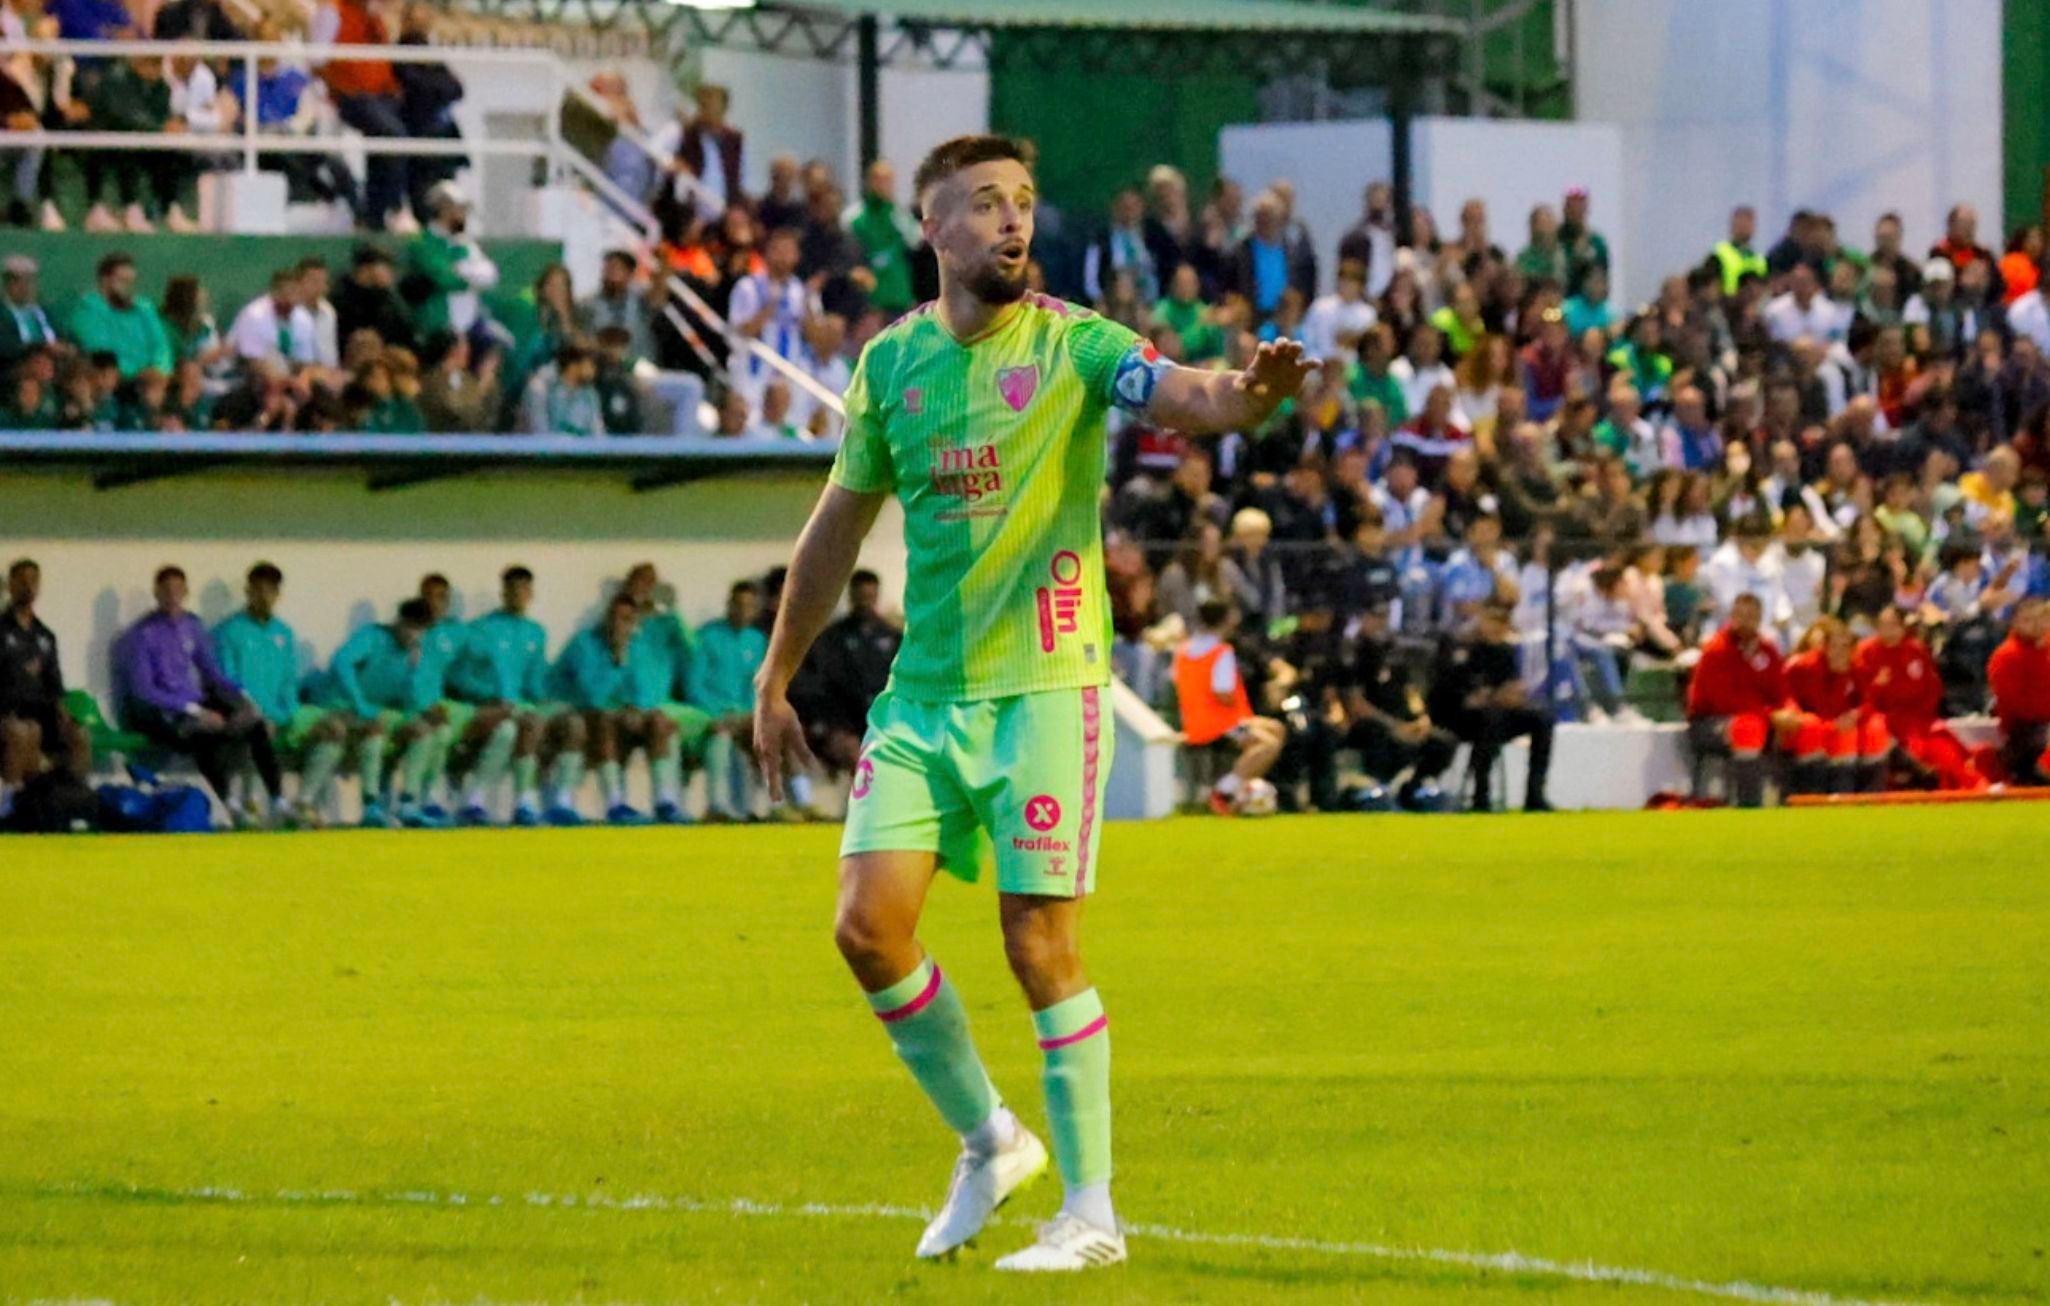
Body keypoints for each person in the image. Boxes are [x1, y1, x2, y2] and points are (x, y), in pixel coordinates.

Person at [748, 134, 1314, 1272]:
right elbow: (834, 533)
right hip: (925, 697)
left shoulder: (1075, 343)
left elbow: (1181, 393)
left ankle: (1093, 1212)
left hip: (1047, 690)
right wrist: (774, 672)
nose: (1013, 222)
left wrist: (1246, 396)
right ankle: (990, 1140)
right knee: (866, 929)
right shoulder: (891, 366)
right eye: (985, 205)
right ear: (933, 229)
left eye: (1023, 203)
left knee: (1037, 944)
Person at [113, 565, 286, 821]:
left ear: (186, 592)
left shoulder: (192, 626)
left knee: (254, 724)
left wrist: (245, 699)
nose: (172, 596)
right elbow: (144, 690)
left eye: (177, 590)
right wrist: (194, 710)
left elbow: (213, 674)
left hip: (194, 704)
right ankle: (232, 804)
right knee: (202, 732)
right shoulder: (142, 634)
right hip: (159, 711)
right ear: (156, 593)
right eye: (166, 591)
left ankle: (278, 800)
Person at [212, 563, 351, 828]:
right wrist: (263, 714)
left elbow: (289, 683)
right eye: (258, 591)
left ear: (278, 594)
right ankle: (249, 802)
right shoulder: (229, 632)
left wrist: (286, 715)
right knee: (257, 727)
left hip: (282, 713)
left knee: (334, 728)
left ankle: (303, 804)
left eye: (270, 591)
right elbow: (226, 684)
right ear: (247, 592)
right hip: (247, 713)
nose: (264, 597)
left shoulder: (284, 633)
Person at [316, 598, 452, 827]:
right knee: (375, 728)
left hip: (381, 711)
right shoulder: (372, 636)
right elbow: (341, 663)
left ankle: (408, 803)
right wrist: (359, 704)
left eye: (420, 631)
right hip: (344, 706)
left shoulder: (415, 652)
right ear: (400, 622)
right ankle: (370, 804)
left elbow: (409, 699)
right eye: (410, 628)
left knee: (424, 731)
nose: (414, 635)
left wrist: (416, 679)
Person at [550, 593, 684, 825]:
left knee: (658, 720)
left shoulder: (641, 647)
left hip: (626, 715)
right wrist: (617, 660)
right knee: (605, 719)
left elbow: (647, 692)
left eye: (627, 619)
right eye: (616, 618)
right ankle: (614, 802)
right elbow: (592, 696)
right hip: (587, 712)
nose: (620, 625)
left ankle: (665, 801)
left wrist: (636, 708)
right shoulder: (585, 644)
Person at [442, 565, 558, 827]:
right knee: (509, 728)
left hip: (518, 707)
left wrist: (546, 700)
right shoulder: (482, 629)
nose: (519, 595)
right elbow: (457, 674)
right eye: (513, 589)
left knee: (527, 724)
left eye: (524, 589)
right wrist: (486, 695)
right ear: (503, 592)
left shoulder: (536, 632)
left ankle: (522, 803)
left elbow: (536, 680)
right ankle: (478, 799)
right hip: (485, 707)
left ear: (531, 593)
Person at [1429, 599, 1552, 812]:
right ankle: (1480, 794)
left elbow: (1511, 692)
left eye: (1503, 622)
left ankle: (1535, 794)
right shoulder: (1458, 645)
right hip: (1456, 717)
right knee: (1491, 718)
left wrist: (1500, 696)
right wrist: (1493, 697)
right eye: (1492, 620)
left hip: (1494, 716)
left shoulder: (1504, 651)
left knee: (1541, 718)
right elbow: (1454, 694)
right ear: (1481, 619)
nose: (1497, 627)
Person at [1171, 598, 1285, 816]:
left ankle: (1243, 790)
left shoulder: (1183, 650)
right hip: (1221, 725)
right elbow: (1223, 693)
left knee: (1275, 728)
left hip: (1194, 721)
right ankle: (1224, 791)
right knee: (1268, 744)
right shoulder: (1221, 651)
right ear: (1226, 620)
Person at [1685, 592, 1799, 807]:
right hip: (1708, 723)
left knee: (1807, 727)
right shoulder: (1716, 651)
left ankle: (1798, 801)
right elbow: (1723, 701)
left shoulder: (1767, 650)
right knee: (1748, 728)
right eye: (1740, 616)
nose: (1745, 622)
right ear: (1731, 616)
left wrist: (1790, 712)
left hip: (1759, 718)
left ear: (1759, 619)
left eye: (1751, 616)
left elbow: (1782, 691)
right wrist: (1771, 716)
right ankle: (1749, 805)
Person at [1, 558, 90, 821]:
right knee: (24, 731)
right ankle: (10, 803)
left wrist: (63, 714)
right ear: (11, 585)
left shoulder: (45, 636)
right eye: (22, 580)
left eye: (33, 580)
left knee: (79, 733)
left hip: (40, 710)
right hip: (8, 712)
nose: (28, 586)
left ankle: (73, 801)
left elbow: (55, 684)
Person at [1854, 605, 1981, 790]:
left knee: (1945, 751)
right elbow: (1860, 695)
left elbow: (1932, 687)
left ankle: (1964, 787)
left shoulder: (1915, 649)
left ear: (1903, 626)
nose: (1888, 630)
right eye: (1883, 625)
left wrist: (1924, 716)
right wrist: (1877, 687)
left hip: (1920, 720)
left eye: (1893, 625)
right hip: (1885, 722)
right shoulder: (1865, 652)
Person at [312, 0, 409, 232]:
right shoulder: (332, 11)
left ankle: (374, 218)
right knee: (394, 135)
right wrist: (337, 86)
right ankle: (395, 208)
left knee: (381, 150)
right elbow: (317, 58)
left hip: (382, 94)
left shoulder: (373, 16)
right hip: (350, 95)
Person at [692, 579, 779, 821]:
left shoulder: (757, 640)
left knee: (765, 735)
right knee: (720, 737)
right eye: (738, 604)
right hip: (708, 713)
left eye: (749, 606)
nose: (743, 610)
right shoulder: (707, 636)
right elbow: (694, 685)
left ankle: (761, 807)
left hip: (743, 713)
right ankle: (716, 805)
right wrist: (717, 713)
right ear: (728, 604)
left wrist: (748, 713)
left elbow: (757, 686)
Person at [1783, 616, 1888, 795]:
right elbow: (1817, 705)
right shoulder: (1806, 667)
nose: (1840, 652)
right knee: (1813, 726)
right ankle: (1813, 793)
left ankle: (1867, 793)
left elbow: (1869, 701)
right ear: (1825, 647)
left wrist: (1856, 714)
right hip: (1804, 724)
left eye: (1845, 647)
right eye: (1834, 647)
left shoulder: (1856, 667)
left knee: (1874, 727)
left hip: (1837, 723)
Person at [405, 182, 500, 342]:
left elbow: (490, 275)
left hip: (469, 323)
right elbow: (444, 279)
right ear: (443, 210)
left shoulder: (464, 243)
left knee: (498, 342)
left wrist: (461, 271)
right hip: (438, 324)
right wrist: (471, 278)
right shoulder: (422, 243)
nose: (463, 216)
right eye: (459, 210)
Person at [66, 252, 171, 379]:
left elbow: (160, 346)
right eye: (123, 281)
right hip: (116, 380)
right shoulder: (86, 311)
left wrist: (159, 370)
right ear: (105, 281)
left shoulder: (144, 308)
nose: (129, 288)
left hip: (153, 378)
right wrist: (136, 374)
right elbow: (100, 352)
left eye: (132, 282)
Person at [1987, 597, 2050, 785]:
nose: (2036, 625)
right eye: (2028, 620)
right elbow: (2014, 705)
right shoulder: (2006, 656)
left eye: (2041, 618)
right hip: (2025, 731)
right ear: (2015, 622)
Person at [229, 269, 319, 374]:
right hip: (240, 372)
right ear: (274, 294)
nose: (291, 299)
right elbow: (253, 362)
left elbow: (305, 361)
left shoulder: (304, 319)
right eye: (286, 294)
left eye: (295, 293)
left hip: (286, 374)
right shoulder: (254, 315)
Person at [332, 244, 415, 354]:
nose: (389, 272)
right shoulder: (342, 296)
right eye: (385, 267)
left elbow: (405, 331)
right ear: (367, 269)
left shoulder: (387, 297)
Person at [0, 255, 58, 369]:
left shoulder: (42, 312)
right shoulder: (3, 313)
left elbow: (57, 335)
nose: (24, 287)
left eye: (28, 281)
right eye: (18, 282)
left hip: (50, 365)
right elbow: (7, 347)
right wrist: (42, 348)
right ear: (7, 284)